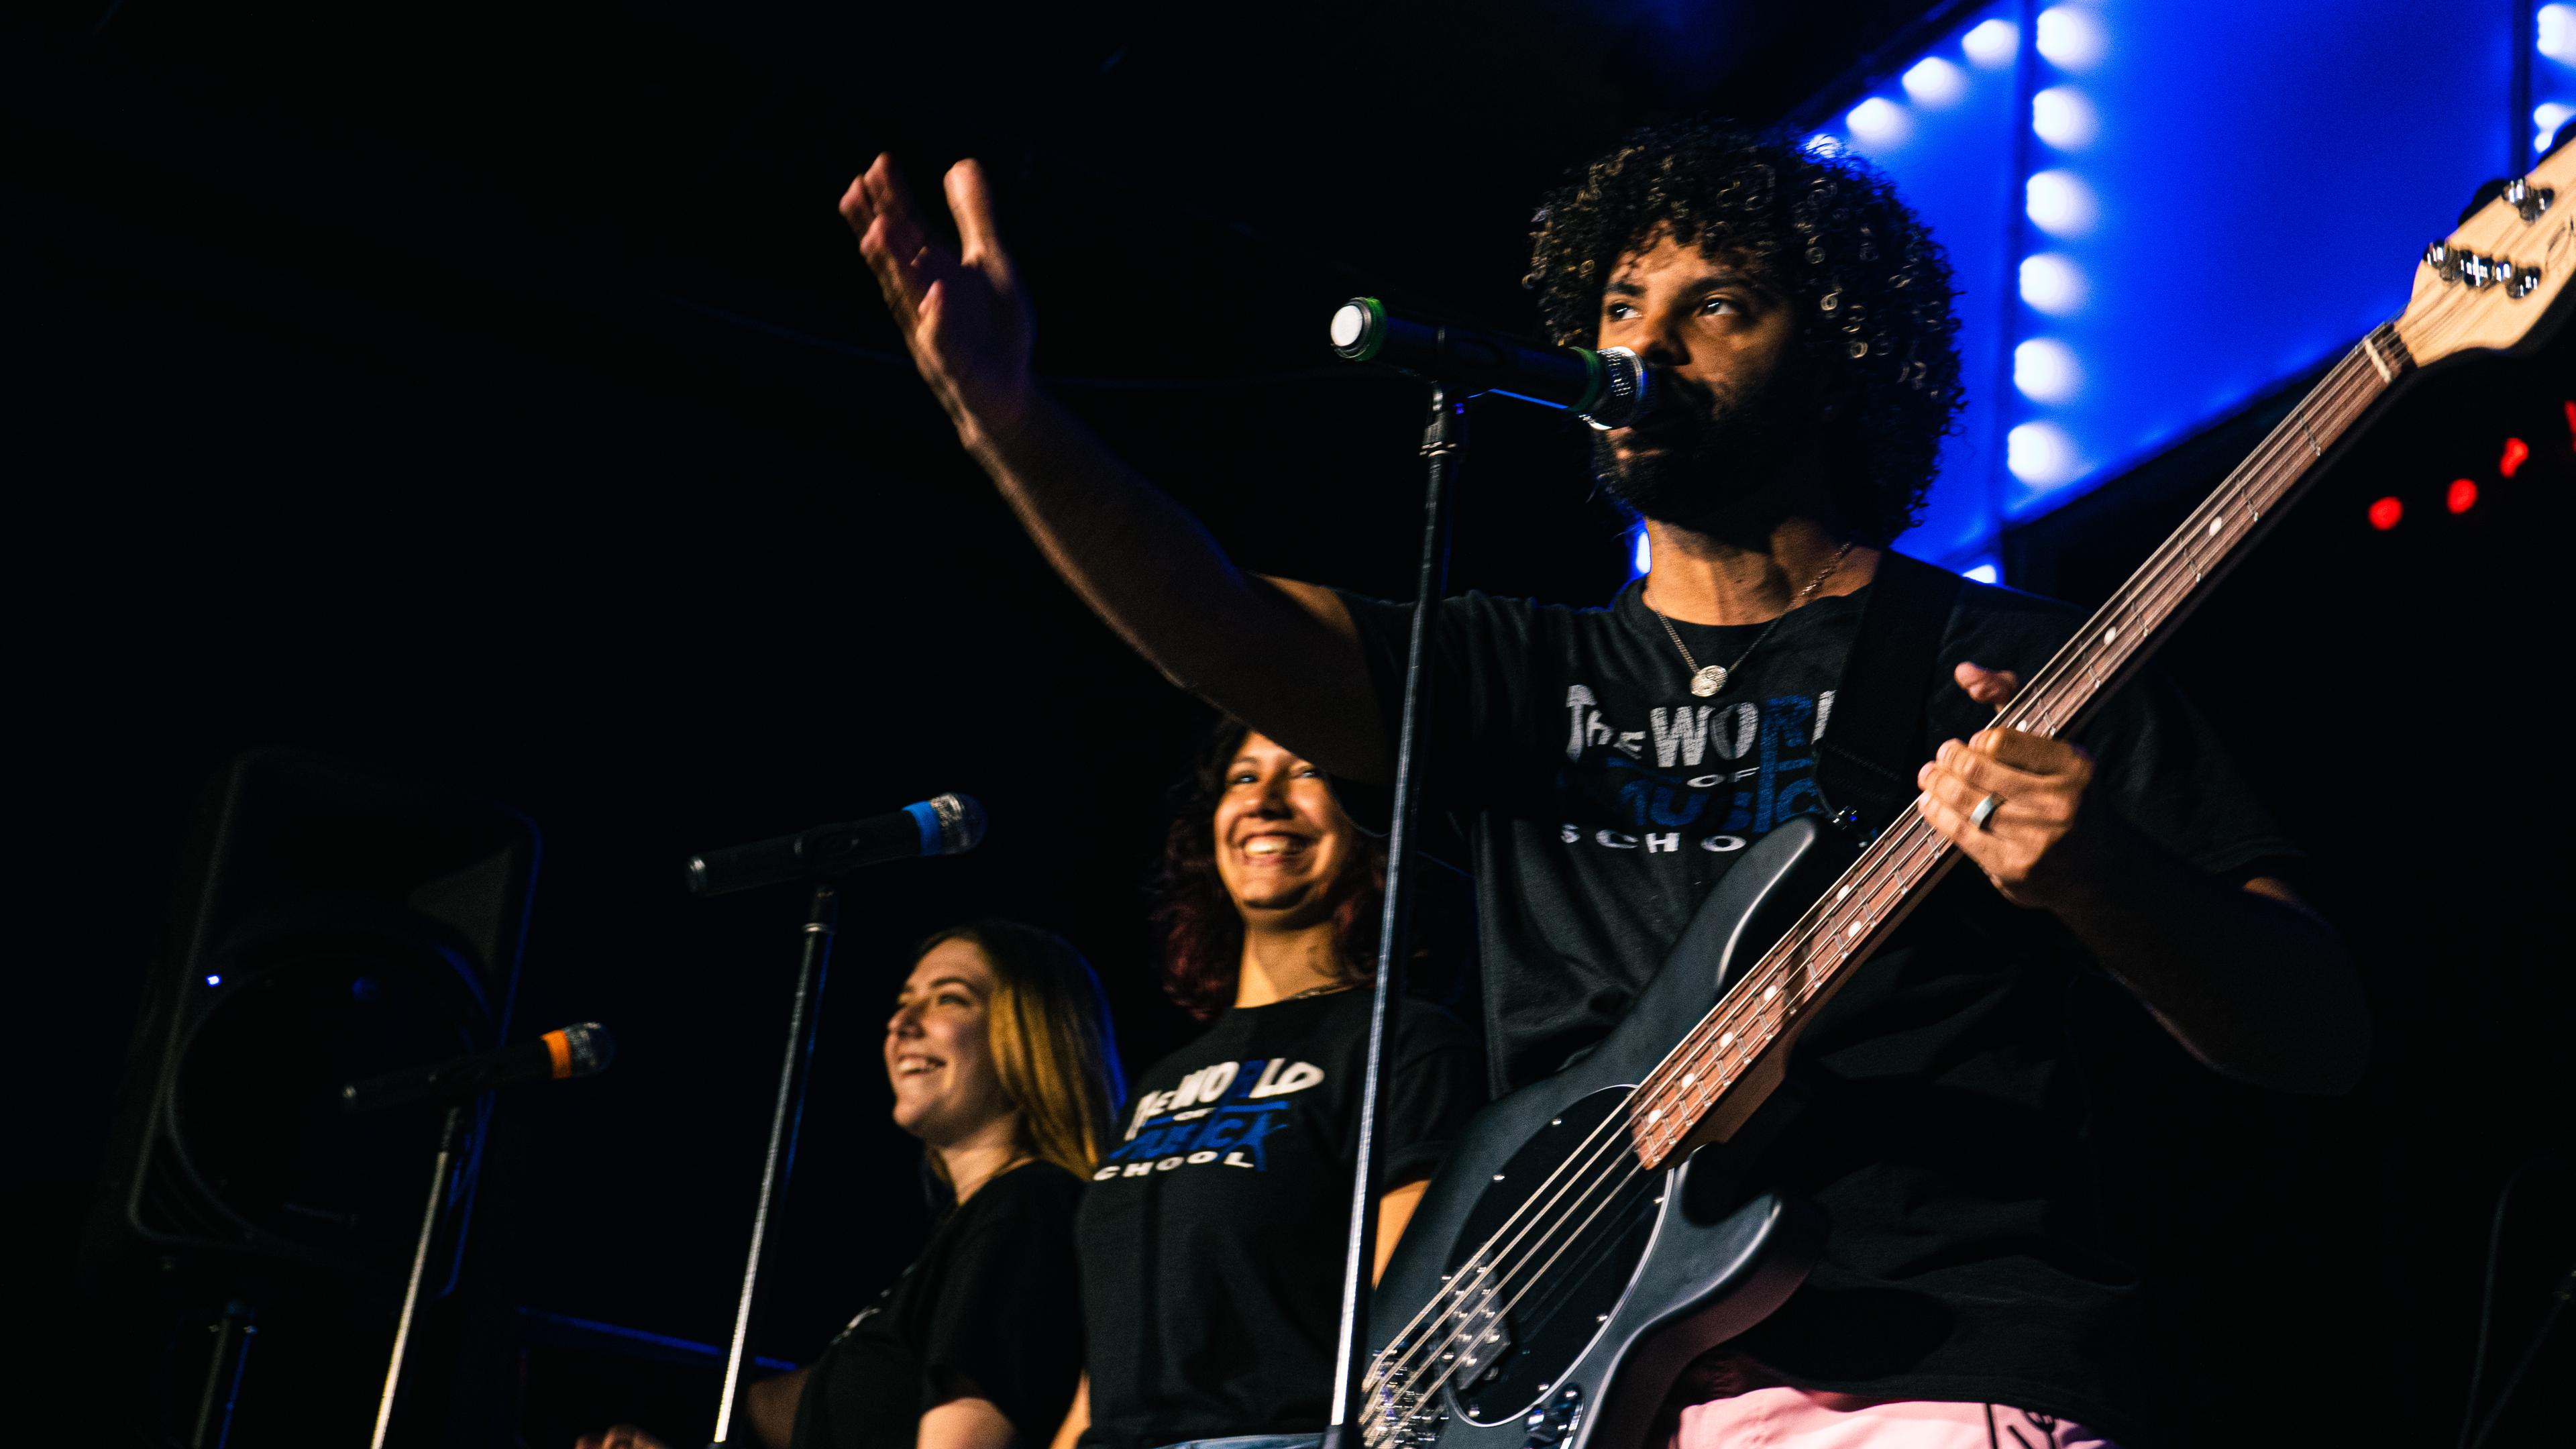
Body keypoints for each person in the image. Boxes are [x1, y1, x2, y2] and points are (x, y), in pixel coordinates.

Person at [837, 119, 2369, 1449]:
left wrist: (2104, 874)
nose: (1651, 338)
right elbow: (1216, 621)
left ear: (1837, 361)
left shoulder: (2009, 659)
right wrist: (1010, 420)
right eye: (1624, 299)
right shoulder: (1514, 670)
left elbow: (2307, 1026)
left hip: (1918, 1364)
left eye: (1721, 305)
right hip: (1564, 1390)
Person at [1055, 724, 1485, 1449]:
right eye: (1243, 779)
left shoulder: (1407, 1045)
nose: (1266, 802)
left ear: (1372, 824)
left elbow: (1406, 1326)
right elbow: (1110, 1363)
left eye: (1307, 772)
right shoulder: (1163, 1081)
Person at [580, 921, 1124, 1449]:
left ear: (1032, 1033)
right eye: (903, 1000)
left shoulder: (1025, 1209)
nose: (902, 1023)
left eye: (949, 999)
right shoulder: (972, 1229)